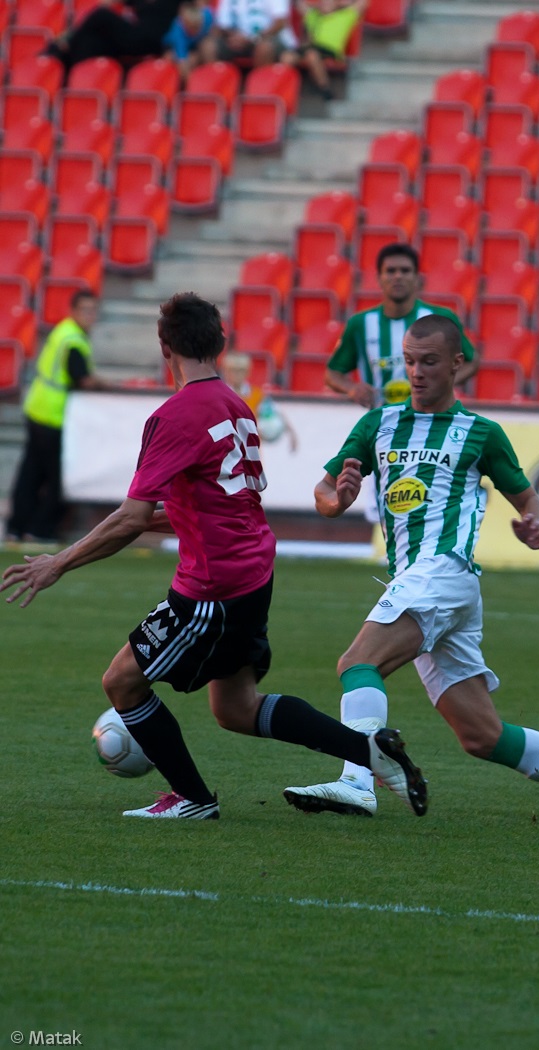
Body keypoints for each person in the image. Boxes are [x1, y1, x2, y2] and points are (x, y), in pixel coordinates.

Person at [0, 292, 427, 823]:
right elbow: (206, 505)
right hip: (252, 573)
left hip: (213, 587)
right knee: (236, 708)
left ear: (164, 347)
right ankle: (370, 753)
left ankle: (192, 799)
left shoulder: (175, 416)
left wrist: (56, 563)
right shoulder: (234, 405)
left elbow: (133, 517)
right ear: (220, 343)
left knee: (121, 682)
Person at [284, 314, 539, 827]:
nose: (417, 373)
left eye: (430, 362)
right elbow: (325, 490)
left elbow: (529, 499)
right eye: (410, 361)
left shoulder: (480, 433)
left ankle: (357, 782)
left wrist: (534, 525)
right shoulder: (379, 424)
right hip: (422, 584)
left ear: (457, 364)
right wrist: (338, 501)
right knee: (482, 736)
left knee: (357, 663)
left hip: (444, 570)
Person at [5, 290, 115, 547]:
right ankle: (41, 530)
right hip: (53, 415)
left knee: (31, 474)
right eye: (86, 310)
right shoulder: (74, 341)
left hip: (37, 409)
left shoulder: (63, 331)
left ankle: (16, 527)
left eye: (93, 310)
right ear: (74, 311)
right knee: (59, 477)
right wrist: (107, 383)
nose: (90, 315)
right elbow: (84, 380)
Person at [325, 242, 478, 409]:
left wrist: (440, 385)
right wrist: (352, 388)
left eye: (405, 271)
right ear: (379, 278)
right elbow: (332, 373)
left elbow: (471, 361)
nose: (398, 276)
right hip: (380, 423)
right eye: (390, 271)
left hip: (430, 418)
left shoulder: (441, 318)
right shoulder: (360, 323)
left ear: (417, 278)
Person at [45, 0, 184, 72]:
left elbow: (198, 17)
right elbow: (109, 3)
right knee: (93, 41)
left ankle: (63, 47)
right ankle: (71, 72)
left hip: (155, 41)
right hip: (132, 37)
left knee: (101, 15)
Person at [283, 0, 366, 100]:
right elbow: (298, 4)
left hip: (329, 51)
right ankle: (286, 92)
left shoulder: (345, 16)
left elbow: (362, 3)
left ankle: (326, 89)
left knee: (311, 56)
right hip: (311, 48)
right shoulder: (313, 15)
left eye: (329, 2)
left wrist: (343, 3)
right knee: (286, 57)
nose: (325, 3)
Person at [220, 350, 297, 450]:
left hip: (250, 451)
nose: (237, 374)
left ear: (248, 372)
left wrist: (292, 434)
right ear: (226, 372)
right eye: (233, 370)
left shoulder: (257, 395)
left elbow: (275, 412)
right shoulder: (220, 395)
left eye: (241, 370)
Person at [200, 0, 297, 68]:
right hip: (237, 39)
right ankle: (217, 88)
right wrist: (234, 37)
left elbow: (280, 23)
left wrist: (252, 38)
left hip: (267, 37)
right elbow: (222, 24)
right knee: (207, 45)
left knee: (264, 48)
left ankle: (260, 91)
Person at [161, 1, 215, 81]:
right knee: (172, 59)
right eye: (192, 27)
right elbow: (182, 61)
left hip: (194, 46)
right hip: (172, 47)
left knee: (208, 48)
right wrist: (194, 86)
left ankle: (212, 78)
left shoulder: (208, 17)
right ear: (185, 24)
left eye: (197, 27)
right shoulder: (178, 32)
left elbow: (213, 33)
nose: (195, 31)